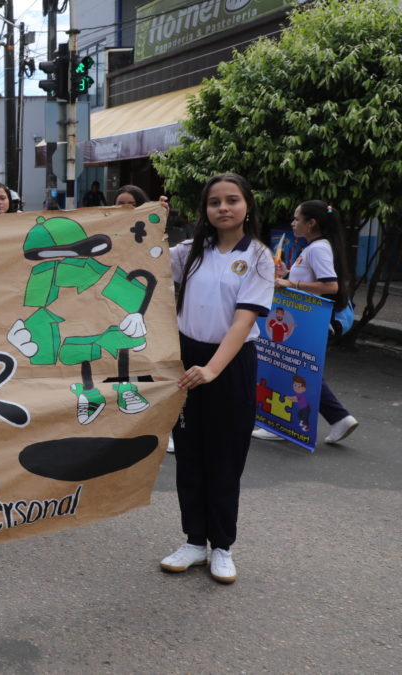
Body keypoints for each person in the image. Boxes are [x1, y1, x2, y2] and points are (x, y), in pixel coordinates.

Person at [160, 173, 274, 585]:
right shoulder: (192, 250)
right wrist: (151, 219)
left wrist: (212, 369)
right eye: (214, 202)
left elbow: (244, 322)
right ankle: (193, 541)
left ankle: (222, 546)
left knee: (225, 458)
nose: (223, 208)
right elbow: (142, 255)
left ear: (247, 205)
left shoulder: (259, 257)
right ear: (204, 210)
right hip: (188, 358)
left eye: (232, 200)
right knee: (189, 454)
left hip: (229, 363)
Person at [252, 200, 359, 444]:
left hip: (314, 323)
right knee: (299, 372)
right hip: (305, 321)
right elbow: (311, 281)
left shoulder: (318, 248)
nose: (293, 223)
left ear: (311, 223)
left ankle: (280, 425)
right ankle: (339, 418)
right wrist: (286, 274)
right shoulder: (313, 247)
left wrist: (291, 283)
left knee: (296, 373)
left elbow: (330, 285)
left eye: (297, 218)